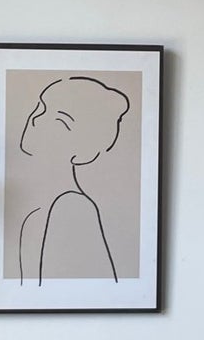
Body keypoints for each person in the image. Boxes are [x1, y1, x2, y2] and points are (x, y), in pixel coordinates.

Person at [17, 76, 131, 284]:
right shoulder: (43, 210)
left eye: (60, 120)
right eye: (41, 107)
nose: (37, 119)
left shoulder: (72, 206)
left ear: (84, 152)